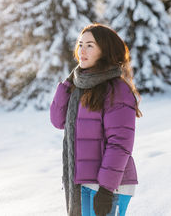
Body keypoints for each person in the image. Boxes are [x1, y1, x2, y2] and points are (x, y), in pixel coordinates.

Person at [50, 23, 142, 216]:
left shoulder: (116, 90)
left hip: (109, 187)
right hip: (84, 182)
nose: (82, 50)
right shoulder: (80, 86)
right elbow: (58, 120)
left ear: (105, 51)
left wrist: (107, 189)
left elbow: (120, 143)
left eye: (90, 45)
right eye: (80, 44)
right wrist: (68, 84)